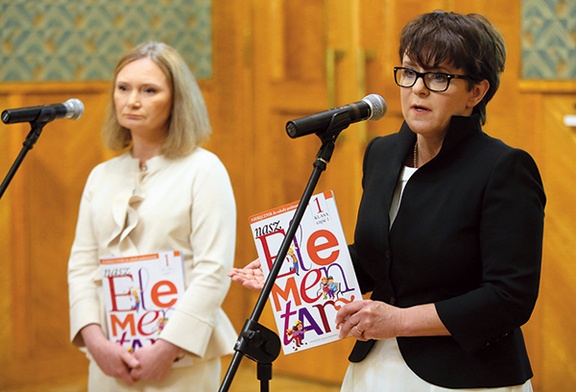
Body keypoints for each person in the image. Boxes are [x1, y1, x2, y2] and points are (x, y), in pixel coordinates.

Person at [228, 11, 545, 391]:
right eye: (410, 72)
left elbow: (509, 298)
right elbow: (376, 258)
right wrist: (292, 274)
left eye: (439, 77)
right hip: (375, 362)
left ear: (476, 92)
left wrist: (399, 321)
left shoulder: (503, 168)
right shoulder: (383, 153)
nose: (419, 89)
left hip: (465, 373)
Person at [68, 41, 237, 391]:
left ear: (176, 100)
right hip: (111, 354)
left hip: (182, 357)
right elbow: (82, 266)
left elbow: (213, 270)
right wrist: (95, 341)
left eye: (149, 90)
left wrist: (167, 347)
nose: (131, 101)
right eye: (123, 88)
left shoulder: (204, 170)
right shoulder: (101, 175)